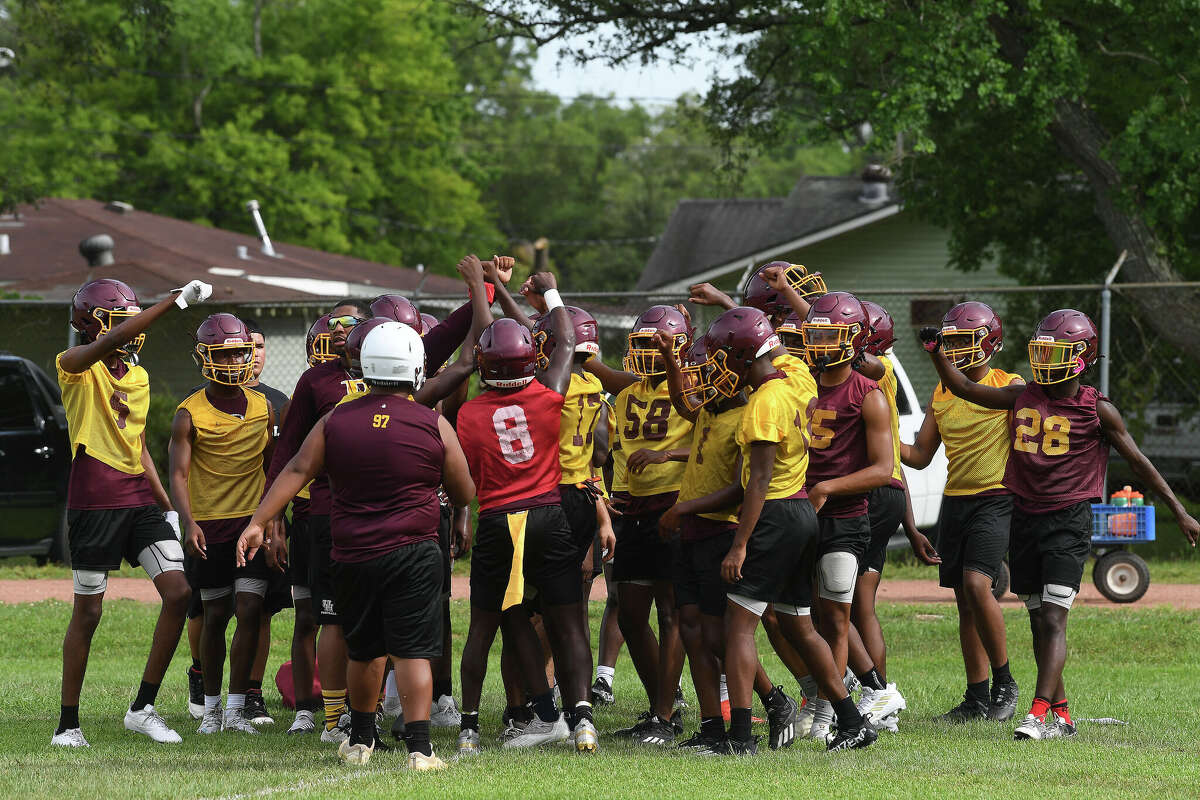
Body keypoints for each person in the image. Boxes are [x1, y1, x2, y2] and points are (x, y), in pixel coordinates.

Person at [923, 308, 1199, 740]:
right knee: (1037, 621)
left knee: (1053, 620)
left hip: (1068, 520)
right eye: (1042, 351)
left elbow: (1140, 463)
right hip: (1025, 518)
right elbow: (965, 387)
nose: (1045, 362)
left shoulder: (1097, 408)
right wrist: (937, 353)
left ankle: (1035, 714)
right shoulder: (1022, 394)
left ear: (1081, 356)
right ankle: (1063, 718)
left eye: (1056, 353)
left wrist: (1179, 510)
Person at [238, 321, 473, 769]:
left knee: (364, 648)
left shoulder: (335, 419)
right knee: (411, 650)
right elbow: (464, 492)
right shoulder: (432, 421)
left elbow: (294, 470)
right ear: (414, 367)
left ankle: (360, 740)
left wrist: (259, 521)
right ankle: (420, 749)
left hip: (352, 551)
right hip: (414, 552)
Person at [696, 306, 876, 753]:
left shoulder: (762, 404)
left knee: (738, 628)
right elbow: (776, 346)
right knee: (801, 626)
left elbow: (756, 481)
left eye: (723, 357)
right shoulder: (797, 377)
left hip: (773, 514)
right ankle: (853, 722)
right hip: (801, 511)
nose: (719, 368)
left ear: (741, 357)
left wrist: (739, 545)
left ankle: (739, 736)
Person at [52, 277, 211, 747]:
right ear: (92, 323)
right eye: (119, 320)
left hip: (138, 498)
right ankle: (68, 724)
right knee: (89, 611)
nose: (129, 330)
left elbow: (138, 447)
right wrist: (175, 301)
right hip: (94, 501)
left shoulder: (137, 376)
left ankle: (142, 707)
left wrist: (168, 507)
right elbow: (113, 340)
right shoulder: (73, 365)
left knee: (179, 593)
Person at [455, 273, 598, 755]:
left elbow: (468, 478)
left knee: (494, 621)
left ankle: (474, 729)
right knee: (569, 621)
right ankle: (581, 720)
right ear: (529, 360)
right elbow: (566, 338)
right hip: (548, 515)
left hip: (500, 521)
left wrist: (481, 291)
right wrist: (553, 290)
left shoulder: (470, 415)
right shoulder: (546, 395)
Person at [655, 335, 802, 753]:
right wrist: (670, 359)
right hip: (693, 533)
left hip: (720, 530)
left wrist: (681, 510)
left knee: (721, 635)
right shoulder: (709, 408)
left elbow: (739, 490)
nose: (700, 382)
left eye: (706, 374)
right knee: (693, 631)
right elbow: (683, 401)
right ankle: (711, 726)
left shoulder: (745, 416)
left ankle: (773, 700)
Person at [902, 302, 1022, 723]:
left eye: (964, 342)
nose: (955, 351)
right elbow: (919, 456)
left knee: (977, 586)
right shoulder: (940, 391)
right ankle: (976, 696)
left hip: (997, 497)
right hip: (957, 499)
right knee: (964, 603)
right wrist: (878, 440)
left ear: (990, 343)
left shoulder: (1010, 383)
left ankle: (1006, 684)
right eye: (950, 344)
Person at [587, 305, 694, 745]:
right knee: (629, 613)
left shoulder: (691, 388)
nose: (650, 352)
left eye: (660, 344)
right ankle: (659, 707)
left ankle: (665, 716)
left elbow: (706, 437)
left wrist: (666, 457)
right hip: (634, 508)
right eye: (645, 344)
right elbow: (620, 445)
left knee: (671, 613)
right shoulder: (630, 392)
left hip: (674, 504)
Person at [794, 291, 896, 740]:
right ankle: (822, 702)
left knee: (836, 618)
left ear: (853, 339)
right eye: (813, 333)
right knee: (800, 615)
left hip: (845, 518)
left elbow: (882, 468)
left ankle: (829, 714)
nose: (817, 343)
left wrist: (827, 487)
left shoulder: (868, 394)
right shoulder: (799, 384)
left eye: (828, 335)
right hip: (797, 514)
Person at [170, 314, 275, 735]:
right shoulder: (187, 413)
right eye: (223, 353)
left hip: (249, 525)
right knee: (214, 615)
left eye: (238, 352)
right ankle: (211, 709)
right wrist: (188, 520)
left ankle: (236, 708)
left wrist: (272, 521)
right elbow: (177, 474)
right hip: (209, 525)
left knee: (250, 608)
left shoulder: (264, 406)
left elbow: (273, 466)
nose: (233, 361)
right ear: (204, 357)